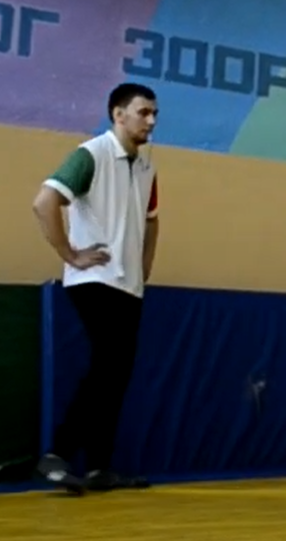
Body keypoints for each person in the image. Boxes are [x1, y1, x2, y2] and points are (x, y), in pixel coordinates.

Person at [31, 83, 160, 495]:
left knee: (117, 374)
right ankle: (56, 455)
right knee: (108, 365)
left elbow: (152, 220)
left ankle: (99, 467)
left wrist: (144, 266)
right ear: (118, 115)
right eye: (143, 112)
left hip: (129, 285)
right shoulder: (91, 154)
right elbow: (44, 202)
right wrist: (69, 254)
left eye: (154, 113)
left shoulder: (147, 166)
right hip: (94, 280)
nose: (151, 121)